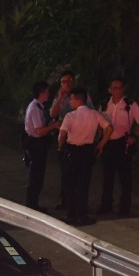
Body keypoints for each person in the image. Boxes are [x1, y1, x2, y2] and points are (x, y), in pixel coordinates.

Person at [57, 87, 112, 225]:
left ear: (76, 99)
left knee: (70, 184)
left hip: (71, 151)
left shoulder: (70, 116)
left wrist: (60, 147)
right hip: (87, 152)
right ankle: (82, 214)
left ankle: (71, 214)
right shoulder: (94, 114)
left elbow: (62, 134)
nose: (70, 102)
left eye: (71, 99)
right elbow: (109, 128)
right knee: (83, 183)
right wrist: (101, 144)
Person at [98, 77, 139, 217]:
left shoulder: (130, 104)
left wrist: (134, 137)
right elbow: (99, 121)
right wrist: (100, 138)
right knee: (108, 176)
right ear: (109, 90)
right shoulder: (104, 104)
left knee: (125, 178)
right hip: (108, 144)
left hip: (122, 143)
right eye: (115, 88)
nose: (117, 90)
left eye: (120, 88)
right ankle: (106, 205)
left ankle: (124, 208)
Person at [49, 71, 92, 210]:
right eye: (63, 82)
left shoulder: (82, 96)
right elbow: (52, 113)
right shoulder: (60, 96)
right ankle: (66, 200)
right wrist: (60, 97)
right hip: (65, 137)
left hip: (79, 139)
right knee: (65, 172)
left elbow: (90, 113)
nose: (66, 84)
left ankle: (77, 204)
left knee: (79, 174)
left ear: (73, 81)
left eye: (68, 81)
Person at [23, 81, 61, 211]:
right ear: (42, 93)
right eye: (47, 91)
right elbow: (39, 131)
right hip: (36, 143)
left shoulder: (38, 106)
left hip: (37, 143)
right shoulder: (34, 108)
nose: (48, 94)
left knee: (37, 175)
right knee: (36, 175)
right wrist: (53, 126)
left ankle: (33, 204)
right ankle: (32, 205)